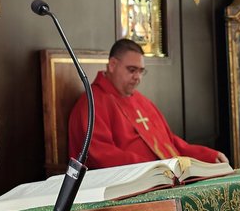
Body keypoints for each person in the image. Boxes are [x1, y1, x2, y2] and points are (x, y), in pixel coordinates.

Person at [67, 39, 227, 168]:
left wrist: (206, 156)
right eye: (132, 70)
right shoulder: (91, 104)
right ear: (113, 65)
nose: (138, 77)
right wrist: (154, 168)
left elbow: (169, 142)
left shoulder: (142, 102)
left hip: (163, 177)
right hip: (128, 187)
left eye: (141, 71)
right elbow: (101, 156)